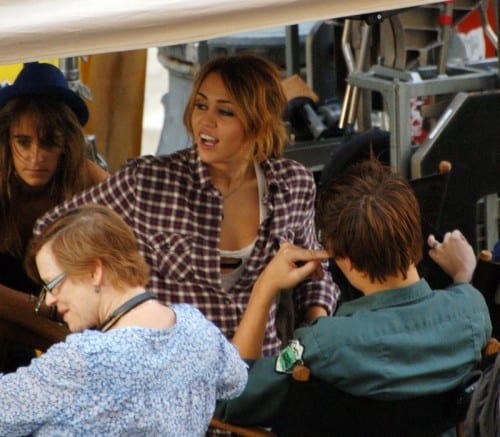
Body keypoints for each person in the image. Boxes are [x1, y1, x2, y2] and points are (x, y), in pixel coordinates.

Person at [34, 53, 338, 356]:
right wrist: (107, 303)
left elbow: (315, 272)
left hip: (263, 372)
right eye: (201, 105)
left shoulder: (292, 183)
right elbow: (50, 232)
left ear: (259, 122)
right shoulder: (149, 181)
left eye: (225, 112)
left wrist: (314, 328)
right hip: (176, 373)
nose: (206, 121)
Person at [216, 159, 492, 431]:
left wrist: (264, 288)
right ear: (414, 235)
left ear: (345, 260)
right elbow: (457, 310)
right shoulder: (473, 312)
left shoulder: (318, 345)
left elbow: (232, 396)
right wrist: (463, 275)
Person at [0, 203, 247, 436]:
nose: (50, 300)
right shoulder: (198, 330)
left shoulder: (85, 359)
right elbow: (236, 380)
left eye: (53, 284)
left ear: (94, 271)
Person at [0, 61, 109, 370]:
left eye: (49, 142)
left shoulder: (87, 178)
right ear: (7, 139)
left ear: (66, 144)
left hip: (60, 322)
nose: (35, 157)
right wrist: (54, 328)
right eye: (23, 142)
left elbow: (128, 253)